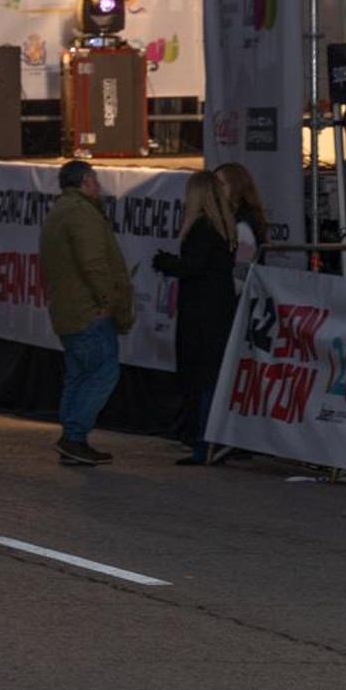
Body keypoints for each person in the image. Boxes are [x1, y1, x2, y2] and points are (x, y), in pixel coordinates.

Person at [38, 160, 133, 466]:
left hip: (68, 310)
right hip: (87, 311)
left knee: (78, 375)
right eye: (94, 180)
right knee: (103, 372)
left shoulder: (59, 212)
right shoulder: (82, 214)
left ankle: (72, 437)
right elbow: (93, 262)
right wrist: (107, 301)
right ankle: (74, 436)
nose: (98, 186)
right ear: (85, 182)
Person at [151, 170, 238, 466]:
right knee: (212, 378)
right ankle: (212, 440)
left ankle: (203, 443)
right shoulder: (224, 228)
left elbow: (193, 267)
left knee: (204, 379)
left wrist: (165, 263)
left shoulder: (203, 228)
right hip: (217, 309)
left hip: (203, 314)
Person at [214, 162, 269, 292]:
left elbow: (240, 278)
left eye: (221, 184)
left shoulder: (242, 227)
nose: (215, 190)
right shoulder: (226, 220)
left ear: (236, 188)